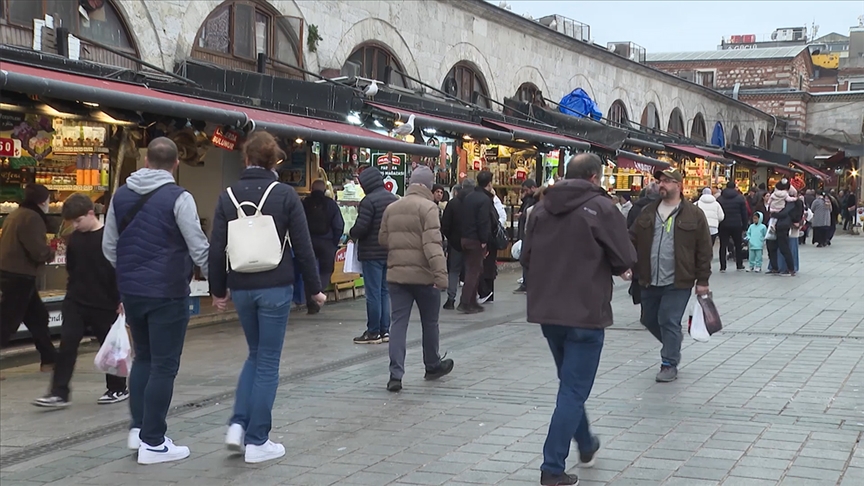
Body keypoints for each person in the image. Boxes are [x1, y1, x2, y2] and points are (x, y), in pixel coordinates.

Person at [209, 131, 325, 464]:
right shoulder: (285, 195)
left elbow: (216, 247)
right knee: (268, 361)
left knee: (255, 354)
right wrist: (315, 289)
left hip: (242, 285)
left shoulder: (227, 196)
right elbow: (303, 246)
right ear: (275, 161)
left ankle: (238, 424)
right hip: (275, 284)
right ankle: (258, 439)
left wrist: (218, 289)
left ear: (246, 159)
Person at [521, 154, 637, 486]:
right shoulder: (601, 208)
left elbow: (526, 255)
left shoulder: (540, 209)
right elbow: (625, 256)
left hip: (548, 311)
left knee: (570, 385)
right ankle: (552, 466)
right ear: (594, 177)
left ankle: (586, 443)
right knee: (573, 389)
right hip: (586, 311)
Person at [103, 137, 210, 465]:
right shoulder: (180, 197)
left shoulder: (120, 196)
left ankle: (138, 430)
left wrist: (130, 275)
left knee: (144, 359)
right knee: (164, 365)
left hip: (132, 292)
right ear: (176, 164)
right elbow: (198, 247)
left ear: (146, 161)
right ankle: (154, 442)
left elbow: (109, 247)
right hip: (168, 292)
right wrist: (218, 281)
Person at [33, 194, 127, 408]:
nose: (75, 226)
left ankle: (118, 388)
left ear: (91, 214)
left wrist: (122, 298)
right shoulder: (74, 239)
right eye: (72, 222)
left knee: (109, 347)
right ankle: (59, 392)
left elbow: (119, 271)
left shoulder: (109, 238)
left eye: (78, 220)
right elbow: (72, 268)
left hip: (105, 302)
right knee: (67, 345)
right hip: (76, 301)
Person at [630, 168, 712, 383]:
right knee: (649, 319)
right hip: (648, 278)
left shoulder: (694, 214)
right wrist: (625, 264)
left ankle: (669, 363)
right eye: (660, 181)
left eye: (667, 181)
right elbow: (632, 239)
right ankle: (673, 341)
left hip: (678, 280)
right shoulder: (647, 211)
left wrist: (703, 280)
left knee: (668, 319)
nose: (662, 185)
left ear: (679, 185)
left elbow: (704, 250)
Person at [378, 166, 454, 393]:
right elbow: (433, 245)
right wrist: (441, 277)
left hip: (397, 276)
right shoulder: (429, 208)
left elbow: (383, 239)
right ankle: (432, 365)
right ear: (428, 186)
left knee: (398, 323)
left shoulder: (392, 207)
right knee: (430, 322)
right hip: (424, 276)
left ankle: (395, 375)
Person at [0, 184, 58, 371]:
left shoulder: (17, 214)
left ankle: (49, 359)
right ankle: (50, 359)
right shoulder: (32, 218)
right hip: (19, 276)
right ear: (42, 201)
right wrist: (50, 252)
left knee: (38, 317)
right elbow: (37, 251)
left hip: (13, 273)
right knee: (6, 323)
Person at [349, 167, 397, 344]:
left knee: (373, 293)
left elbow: (362, 227)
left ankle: (373, 331)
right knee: (385, 292)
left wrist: (351, 233)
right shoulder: (393, 199)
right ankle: (385, 330)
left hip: (371, 253)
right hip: (388, 251)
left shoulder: (368, 201)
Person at [302, 179, 344, 314]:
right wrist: (334, 242)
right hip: (327, 242)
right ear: (325, 189)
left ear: (311, 189)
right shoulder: (330, 204)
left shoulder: (304, 203)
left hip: (308, 242)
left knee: (309, 271)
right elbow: (339, 225)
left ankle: (310, 301)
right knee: (326, 271)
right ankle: (318, 295)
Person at [458, 170, 494, 314]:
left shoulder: (469, 197)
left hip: (465, 237)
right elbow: (483, 221)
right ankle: (465, 302)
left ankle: (473, 301)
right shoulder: (484, 199)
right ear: (489, 184)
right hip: (475, 239)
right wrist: (484, 240)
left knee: (473, 269)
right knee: (474, 271)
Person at [441, 179, 474, 310]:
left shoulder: (453, 203)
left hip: (455, 242)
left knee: (454, 271)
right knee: (471, 271)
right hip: (472, 241)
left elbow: (445, 224)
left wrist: (451, 238)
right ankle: (467, 299)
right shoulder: (476, 202)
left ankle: (451, 299)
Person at [764, 180, 797, 276]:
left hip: (782, 224)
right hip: (778, 224)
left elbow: (785, 212)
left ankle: (790, 268)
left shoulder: (786, 199)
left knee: (783, 247)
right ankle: (775, 267)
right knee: (772, 247)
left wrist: (773, 213)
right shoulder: (787, 197)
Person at [715, 181, 748, 272]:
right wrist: (745, 225)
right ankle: (739, 264)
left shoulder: (720, 199)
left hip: (723, 224)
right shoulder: (740, 198)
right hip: (736, 224)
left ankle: (723, 266)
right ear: (734, 187)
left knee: (723, 245)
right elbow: (744, 213)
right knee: (738, 245)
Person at [514, 179, 538, 293]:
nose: (525, 192)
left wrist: (522, 215)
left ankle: (527, 283)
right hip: (525, 233)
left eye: (526, 190)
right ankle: (526, 282)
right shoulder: (528, 200)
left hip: (529, 233)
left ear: (533, 188)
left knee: (526, 258)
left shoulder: (535, 201)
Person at [778, 186, 804, 274]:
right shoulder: (797, 202)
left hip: (788, 227)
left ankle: (785, 267)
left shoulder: (787, 202)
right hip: (790, 227)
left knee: (786, 248)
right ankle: (790, 267)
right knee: (789, 248)